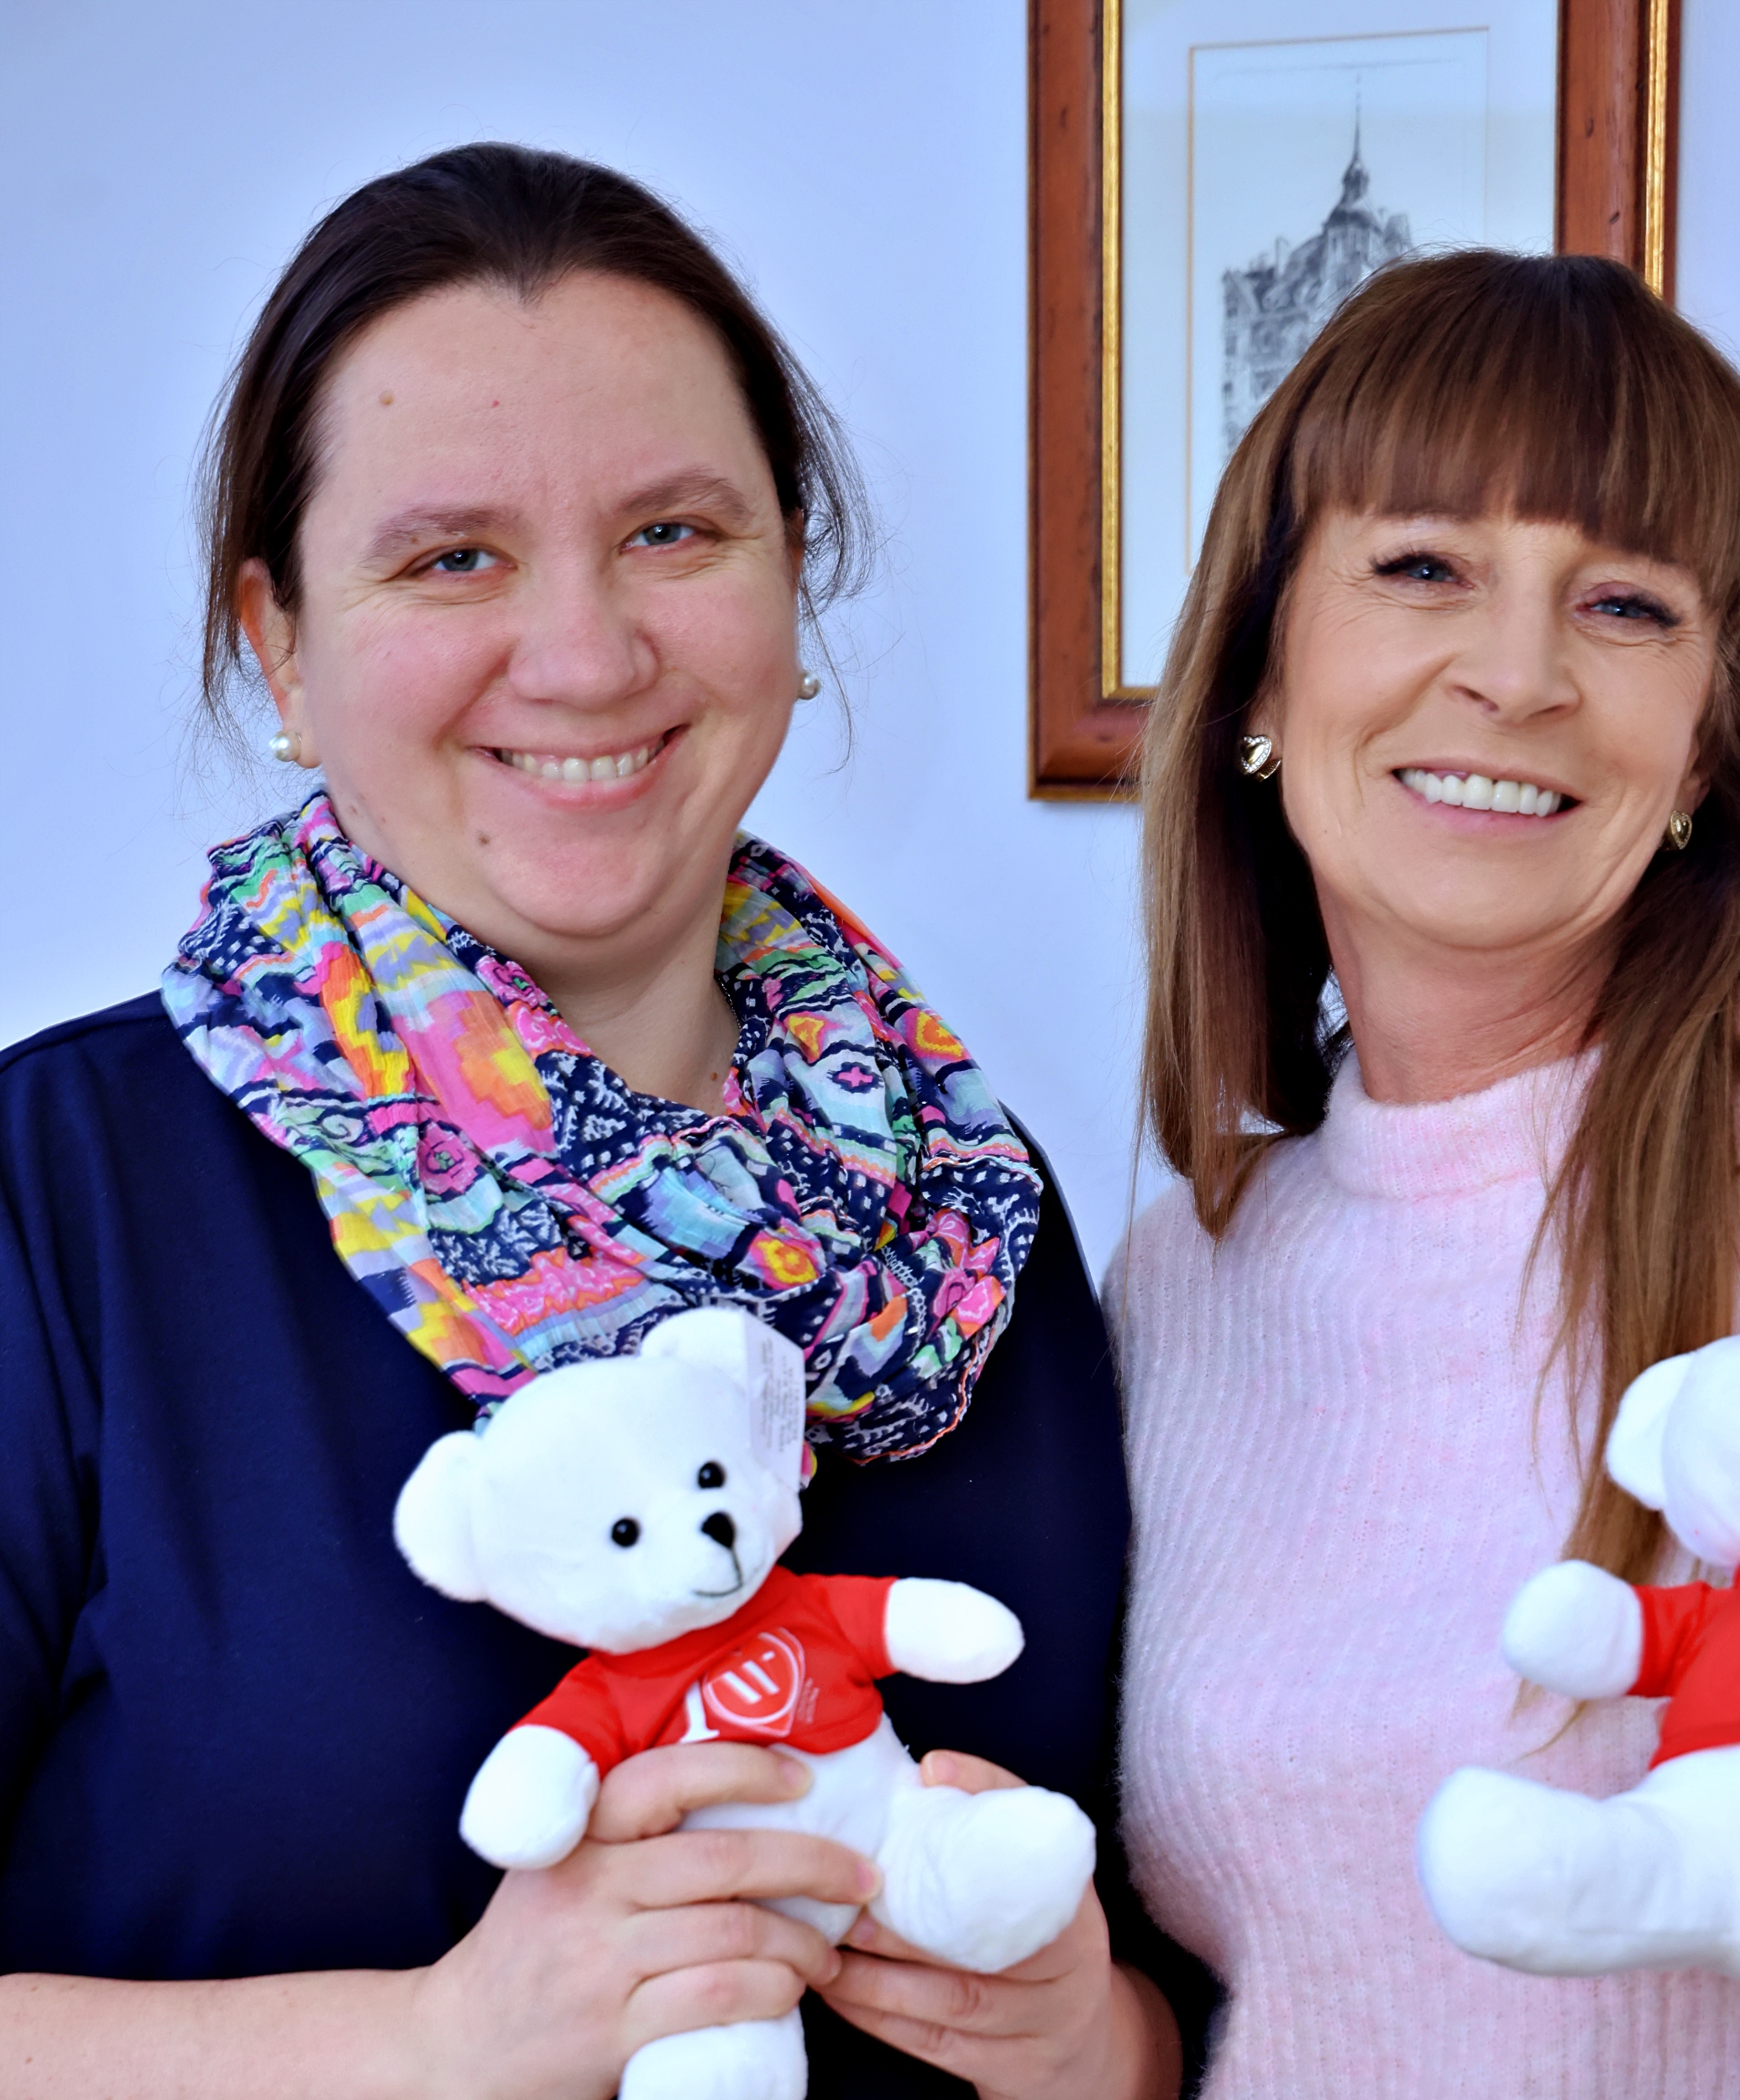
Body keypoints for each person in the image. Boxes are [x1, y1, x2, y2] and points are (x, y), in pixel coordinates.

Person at [0, 144, 1181, 2100]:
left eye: (672, 531)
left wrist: (1097, 2044)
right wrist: (434, 2039)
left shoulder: (967, 1217)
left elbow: (1156, 1944)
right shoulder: (62, 1196)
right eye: (450, 557)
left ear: (789, 576)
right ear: (281, 639)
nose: (583, 654)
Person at [1113, 249, 1740, 2096]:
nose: (1514, 675)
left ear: (1710, 737)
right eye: (1421, 566)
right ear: (1258, 665)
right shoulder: (1183, 1280)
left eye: (1626, 603)